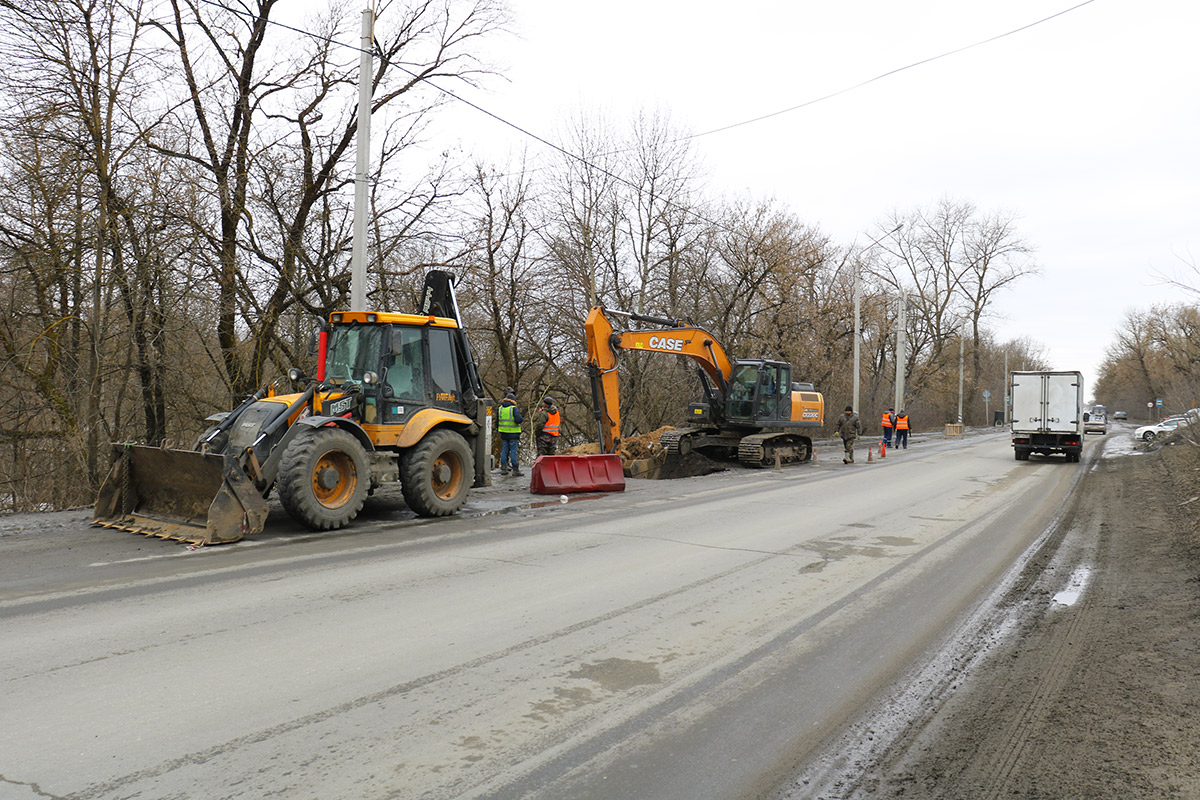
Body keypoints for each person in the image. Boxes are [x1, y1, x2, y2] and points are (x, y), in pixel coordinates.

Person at [496, 392, 524, 476]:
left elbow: (497, 421)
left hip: (503, 433)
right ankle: (515, 470)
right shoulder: (513, 408)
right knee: (513, 451)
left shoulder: (500, 408)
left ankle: (503, 468)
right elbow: (519, 420)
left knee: (504, 450)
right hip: (513, 433)